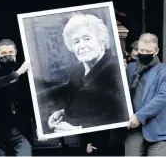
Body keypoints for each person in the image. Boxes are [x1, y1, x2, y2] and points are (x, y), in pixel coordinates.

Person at [47, 13, 129, 155]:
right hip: (81, 144)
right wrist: (62, 113)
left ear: (101, 41)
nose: (82, 46)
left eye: (87, 38)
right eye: (76, 41)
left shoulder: (114, 69)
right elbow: (78, 101)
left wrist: (78, 129)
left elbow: (119, 114)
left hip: (105, 145)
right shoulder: (78, 72)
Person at [125, 33, 166, 156]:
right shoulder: (129, 69)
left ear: (156, 51)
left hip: (158, 132)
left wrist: (139, 116)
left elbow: (161, 98)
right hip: (133, 132)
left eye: (149, 51)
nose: (145, 53)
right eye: (142, 50)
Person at [0, 39, 33, 156]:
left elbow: (34, 99)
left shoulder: (26, 72)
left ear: (15, 52)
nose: (8, 55)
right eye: (4, 53)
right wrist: (18, 73)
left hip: (20, 130)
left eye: (10, 52)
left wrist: (41, 129)